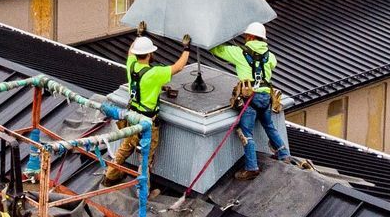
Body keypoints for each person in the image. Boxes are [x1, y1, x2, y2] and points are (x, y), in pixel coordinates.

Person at [102, 24, 190, 186]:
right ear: (150, 54)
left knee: (126, 146)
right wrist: (187, 48)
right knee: (146, 155)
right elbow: (179, 67)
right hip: (147, 121)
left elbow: (130, 53)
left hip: (132, 115)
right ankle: (144, 188)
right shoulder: (154, 73)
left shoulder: (132, 65)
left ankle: (110, 176)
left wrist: (139, 36)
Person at [211, 21, 290, 181]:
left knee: (246, 133)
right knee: (269, 126)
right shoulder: (270, 56)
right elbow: (273, 65)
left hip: (250, 98)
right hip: (266, 97)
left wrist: (214, 37)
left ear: (251, 36)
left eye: (247, 35)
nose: (245, 38)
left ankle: (252, 168)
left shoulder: (239, 52)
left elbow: (217, 50)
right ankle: (284, 154)